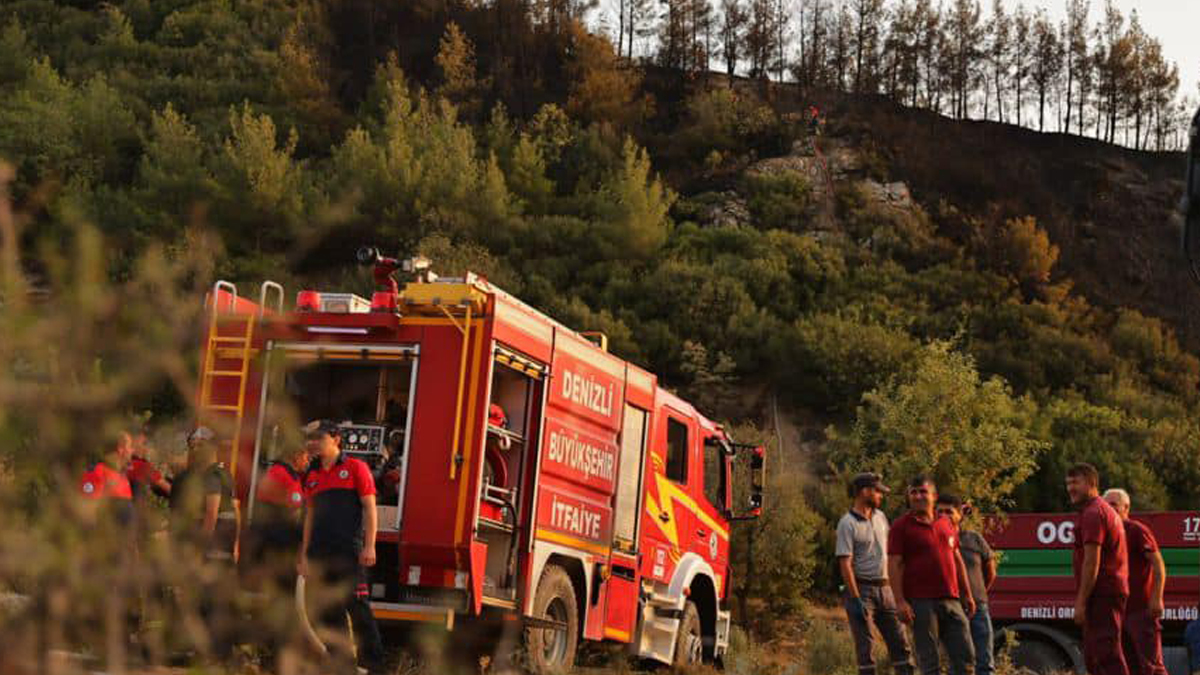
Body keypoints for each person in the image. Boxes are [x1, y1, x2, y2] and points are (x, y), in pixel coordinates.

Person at [297, 419, 384, 673]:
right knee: (326, 614)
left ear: (336, 439)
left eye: (319, 438)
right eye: (310, 439)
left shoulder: (356, 468)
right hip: (319, 555)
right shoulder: (311, 475)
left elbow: (369, 508)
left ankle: (375, 668)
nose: (313, 444)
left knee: (359, 613)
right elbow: (309, 517)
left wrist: (370, 546)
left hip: (348, 553)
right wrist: (303, 555)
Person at [888, 475, 975, 675]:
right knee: (930, 664)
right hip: (921, 604)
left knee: (966, 659)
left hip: (952, 600)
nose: (918, 496)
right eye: (913, 492)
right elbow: (894, 563)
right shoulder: (901, 526)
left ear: (934, 496)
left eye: (923, 491)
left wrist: (967, 594)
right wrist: (900, 602)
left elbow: (957, 559)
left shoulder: (946, 523)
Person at [835, 472, 915, 675]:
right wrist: (855, 599)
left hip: (887, 589)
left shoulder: (881, 517)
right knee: (866, 648)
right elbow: (845, 564)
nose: (881, 496)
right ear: (864, 492)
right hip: (863, 590)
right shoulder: (847, 523)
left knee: (901, 644)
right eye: (878, 492)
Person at [1066, 463, 1129, 675]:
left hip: (1102, 594)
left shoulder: (1094, 513)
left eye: (1075, 482)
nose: (1070, 488)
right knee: (1095, 658)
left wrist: (1081, 602)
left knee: (1106, 657)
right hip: (1105, 593)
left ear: (1092, 484)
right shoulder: (1100, 510)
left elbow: (1091, 562)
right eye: (1068, 483)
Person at [1103, 488, 1168, 675]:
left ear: (1126, 507)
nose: (1110, 508)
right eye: (1107, 505)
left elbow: (1159, 565)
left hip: (1141, 611)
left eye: (1114, 504)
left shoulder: (1137, 530)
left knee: (1152, 667)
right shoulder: (1107, 535)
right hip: (1118, 613)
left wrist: (1156, 599)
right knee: (1128, 667)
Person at [937, 495, 996, 675]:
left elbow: (990, 571)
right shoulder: (932, 539)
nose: (945, 515)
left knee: (984, 661)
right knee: (958, 663)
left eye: (950, 511)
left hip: (978, 607)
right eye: (940, 511)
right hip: (949, 607)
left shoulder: (974, 539)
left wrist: (976, 593)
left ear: (960, 515)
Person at [169, 427, 239, 562]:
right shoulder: (225, 473)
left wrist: (200, 547)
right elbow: (235, 508)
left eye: (200, 446)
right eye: (192, 447)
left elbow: (211, 513)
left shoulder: (210, 475)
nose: (195, 451)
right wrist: (235, 546)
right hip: (224, 547)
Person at [80, 430, 135, 524]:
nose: (132, 450)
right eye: (130, 446)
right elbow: (88, 513)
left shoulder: (121, 475)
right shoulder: (97, 471)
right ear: (120, 449)